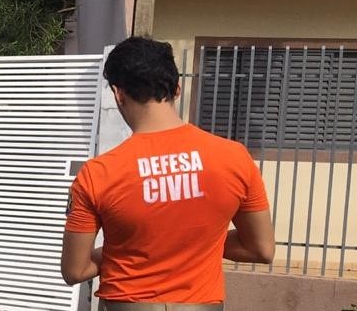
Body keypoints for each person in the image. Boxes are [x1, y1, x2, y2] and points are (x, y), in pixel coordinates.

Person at [60, 37, 275, 311]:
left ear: (118, 94)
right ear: (176, 88)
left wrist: (130, 249)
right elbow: (262, 249)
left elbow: (74, 270)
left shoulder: (98, 173)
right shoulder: (234, 157)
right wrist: (197, 244)